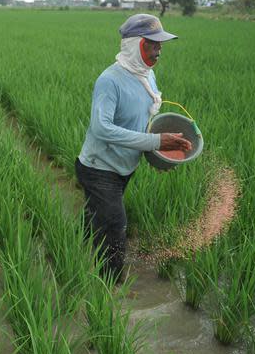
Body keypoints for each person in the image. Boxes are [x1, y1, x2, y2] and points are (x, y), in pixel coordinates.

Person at [75, 14, 192, 282]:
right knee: (116, 224)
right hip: (98, 168)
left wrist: (158, 155)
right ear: (136, 44)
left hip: (124, 166)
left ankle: (75, 246)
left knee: (97, 214)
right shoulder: (110, 80)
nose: (159, 49)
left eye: (161, 44)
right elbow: (100, 128)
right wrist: (156, 142)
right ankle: (111, 287)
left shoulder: (146, 76)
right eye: (153, 43)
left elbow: (143, 122)